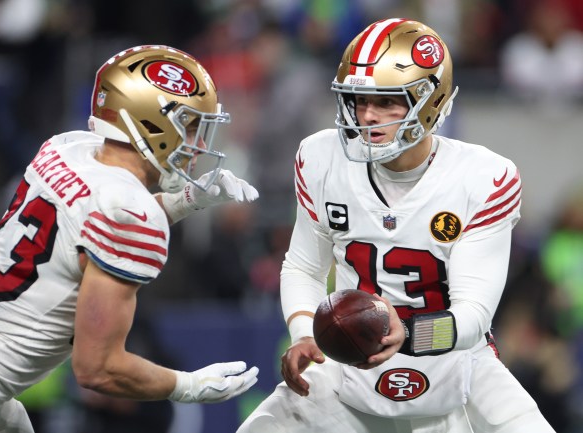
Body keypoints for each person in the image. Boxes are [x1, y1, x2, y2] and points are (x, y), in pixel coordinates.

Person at [237, 18, 555, 433]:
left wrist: (405, 332)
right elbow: (303, 267)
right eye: (359, 100)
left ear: (432, 102)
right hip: (349, 369)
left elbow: (473, 316)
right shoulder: (321, 158)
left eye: (388, 101)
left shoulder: (483, 177)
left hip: (456, 369)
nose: (368, 116)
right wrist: (305, 334)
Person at [0, 45, 260, 432]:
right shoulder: (127, 213)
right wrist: (187, 386)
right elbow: (98, 368)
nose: (200, 145)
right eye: (190, 127)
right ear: (151, 124)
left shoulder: (69, 148)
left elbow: (94, 225)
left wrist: (187, 200)